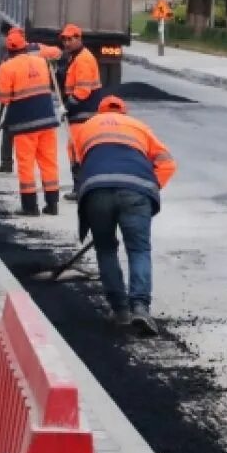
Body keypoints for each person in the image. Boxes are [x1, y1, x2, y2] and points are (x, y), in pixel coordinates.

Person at [72, 95, 176, 332]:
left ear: (99, 112)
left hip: (96, 190)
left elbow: (78, 163)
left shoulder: (86, 127)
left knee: (106, 249)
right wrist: (148, 190)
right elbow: (168, 164)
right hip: (136, 192)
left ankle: (119, 310)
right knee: (138, 250)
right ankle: (140, 307)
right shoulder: (139, 127)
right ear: (124, 112)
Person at [0, 28, 62, 216]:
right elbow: (55, 55)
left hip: (25, 124)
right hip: (48, 120)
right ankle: (52, 204)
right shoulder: (41, 62)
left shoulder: (6, 68)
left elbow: (4, 98)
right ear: (25, 46)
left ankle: (30, 207)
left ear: (8, 50)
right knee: (49, 163)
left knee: (26, 165)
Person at [58, 24, 103, 201]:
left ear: (79, 39)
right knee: (77, 150)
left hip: (84, 112)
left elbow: (82, 91)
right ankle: (82, 188)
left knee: (77, 150)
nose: (67, 43)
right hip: (81, 112)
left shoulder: (83, 59)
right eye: (65, 39)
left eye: (71, 39)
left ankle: (81, 189)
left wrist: (67, 106)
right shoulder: (75, 58)